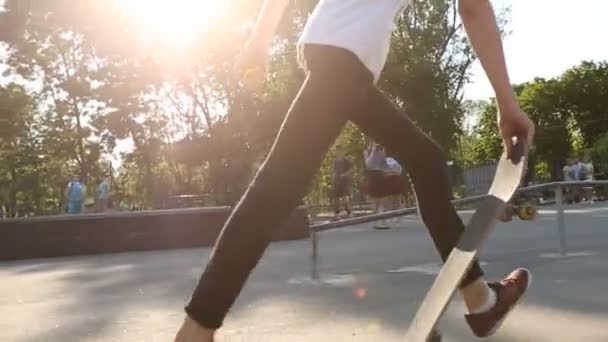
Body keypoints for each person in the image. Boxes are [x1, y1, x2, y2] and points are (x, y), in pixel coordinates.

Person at [175, 0, 535, 340]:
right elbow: (472, 8)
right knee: (279, 183)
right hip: (345, 56)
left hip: (333, 51)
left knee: (426, 161)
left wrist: (259, 39)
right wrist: (507, 104)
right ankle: (196, 330)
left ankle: (480, 300)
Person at [331, 145, 353, 218]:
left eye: (340, 151)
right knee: (336, 200)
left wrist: (344, 174)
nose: (339, 152)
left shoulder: (346, 161)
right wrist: (333, 178)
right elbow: (333, 171)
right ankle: (336, 214)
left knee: (345, 199)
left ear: (343, 152)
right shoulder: (335, 162)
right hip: (336, 182)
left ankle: (349, 212)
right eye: (337, 151)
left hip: (344, 182)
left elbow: (350, 170)